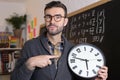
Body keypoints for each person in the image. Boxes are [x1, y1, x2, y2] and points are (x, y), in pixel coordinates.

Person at [10, 1, 108, 80]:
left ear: (65, 21)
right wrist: (30, 64)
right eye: (48, 17)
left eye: (58, 17)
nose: (52, 21)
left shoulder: (74, 50)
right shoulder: (30, 46)